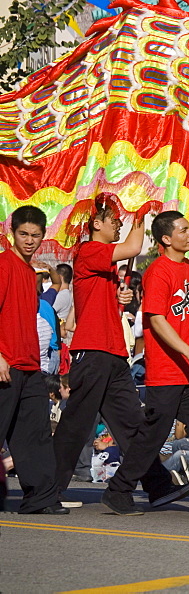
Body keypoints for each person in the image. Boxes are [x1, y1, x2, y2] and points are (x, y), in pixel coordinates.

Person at [102, 211, 189, 516]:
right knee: (153, 434)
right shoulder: (158, 271)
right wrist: (188, 352)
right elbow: (156, 319)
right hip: (168, 369)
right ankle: (119, 489)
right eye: (183, 230)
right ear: (166, 239)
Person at [54, 201, 189, 508]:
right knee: (77, 425)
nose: (118, 224)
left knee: (132, 424)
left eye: (121, 219)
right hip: (92, 352)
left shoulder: (105, 263)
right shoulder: (89, 250)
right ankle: (48, 489)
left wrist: (120, 297)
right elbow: (133, 245)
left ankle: (157, 484)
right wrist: (142, 215)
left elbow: (100, 299)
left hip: (113, 351)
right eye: (113, 220)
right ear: (96, 224)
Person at [0, 206, 65, 514]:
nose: (29, 240)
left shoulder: (30, 273)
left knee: (35, 435)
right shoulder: (3, 265)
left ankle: (41, 499)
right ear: (12, 233)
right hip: (5, 364)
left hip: (30, 366)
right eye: (23, 234)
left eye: (35, 235)